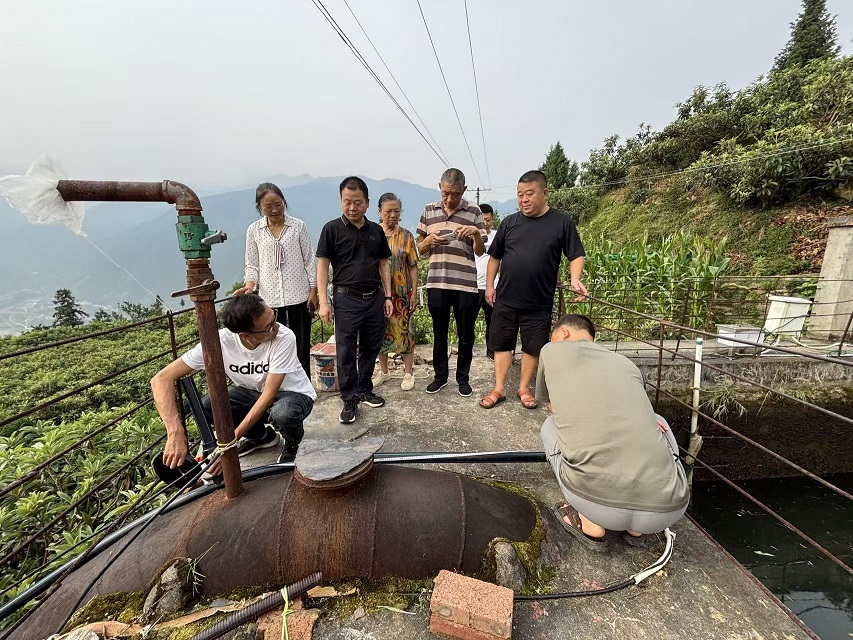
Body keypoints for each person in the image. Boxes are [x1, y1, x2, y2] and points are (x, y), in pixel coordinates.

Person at [536, 314, 689, 551]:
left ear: (563, 333)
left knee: (550, 425)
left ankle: (589, 524)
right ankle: (636, 531)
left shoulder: (551, 350)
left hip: (596, 504)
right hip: (667, 510)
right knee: (657, 420)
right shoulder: (625, 363)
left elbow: (553, 406)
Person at [151, 294, 316, 469]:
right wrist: (175, 431)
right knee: (209, 406)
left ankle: (293, 442)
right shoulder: (219, 341)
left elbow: (269, 394)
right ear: (245, 335)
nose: (277, 326)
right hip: (252, 393)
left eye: (273, 317)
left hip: (293, 394)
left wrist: (229, 444)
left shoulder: (284, 336)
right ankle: (261, 437)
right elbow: (160, 379)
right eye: (269, 326)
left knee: (283, 414)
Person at [480, 170, 587, 411]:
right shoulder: (510, 222)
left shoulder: (562, 222)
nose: (524, 199)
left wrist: (575, 279)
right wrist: (489, 286)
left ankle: (524, 389)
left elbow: (576, 255)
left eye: (529, 194)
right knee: (501, 343)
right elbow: (495, 257)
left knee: (532, 346)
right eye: (520, 195)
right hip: (506, 296)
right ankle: (499, 388)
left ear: (545, 193)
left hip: (539, 301)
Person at [316, 176, 393, 424]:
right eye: (347, 202)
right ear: (341, 201)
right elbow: (322, 266)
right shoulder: (331, 229)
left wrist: (388, 296)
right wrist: (323, 302)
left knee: (371, 346)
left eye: (357, 202)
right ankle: (349, 398)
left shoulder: (376, 231)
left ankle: (364, 388)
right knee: (346, 349)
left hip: (374, 298)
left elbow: (384, 264)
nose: (352, 208)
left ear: (367, 203)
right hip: (345, 298)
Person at [234, 183, 318, 377]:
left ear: (284, 202)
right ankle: (278, 384)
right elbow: (252, 264)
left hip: (299, 296)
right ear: (259, 207)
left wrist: (314, 291)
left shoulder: (298, 226)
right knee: (273, 344)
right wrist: (249, 286)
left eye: (278, 204)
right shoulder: (254, 230)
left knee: (301, 343)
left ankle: (303, 385)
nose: (274, 210)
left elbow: (309, 261)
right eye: (268, 206)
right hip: (270, 299)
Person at [416, 168, 485, 397]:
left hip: (465, 284)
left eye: (455, 194)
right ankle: (440, 377)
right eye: (445, 193)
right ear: (440, 187)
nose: (449, 199)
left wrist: (475, 234)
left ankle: (463, 379)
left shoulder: (474, 211)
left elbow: (480, 251)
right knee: (439, 333)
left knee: (466, 335)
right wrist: (429, 241)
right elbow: (419, 249)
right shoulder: (429, 210)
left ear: (464, 190)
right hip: (437, 282)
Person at [371, 193, 419, 391]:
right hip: (377, 293)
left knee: (405, 331)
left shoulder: (406, 236)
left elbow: (413, 266)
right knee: (380, 332)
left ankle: (408, 373)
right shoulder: (373, 234)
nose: (392, 215)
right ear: (379, 212)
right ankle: (384, 371)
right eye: (388, 211)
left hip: (402, 294)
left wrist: (414, 292)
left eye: (396, 211)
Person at [475, 203, 497, 360]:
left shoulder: (497, 236)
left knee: (493, 321)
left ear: (492, 219)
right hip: (474, 285)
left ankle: (492, 351)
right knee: (468, 320)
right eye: (483, 220)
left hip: (493, 286)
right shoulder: (473, 237)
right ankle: (466, 351)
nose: (485, 223)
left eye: (488, 220)